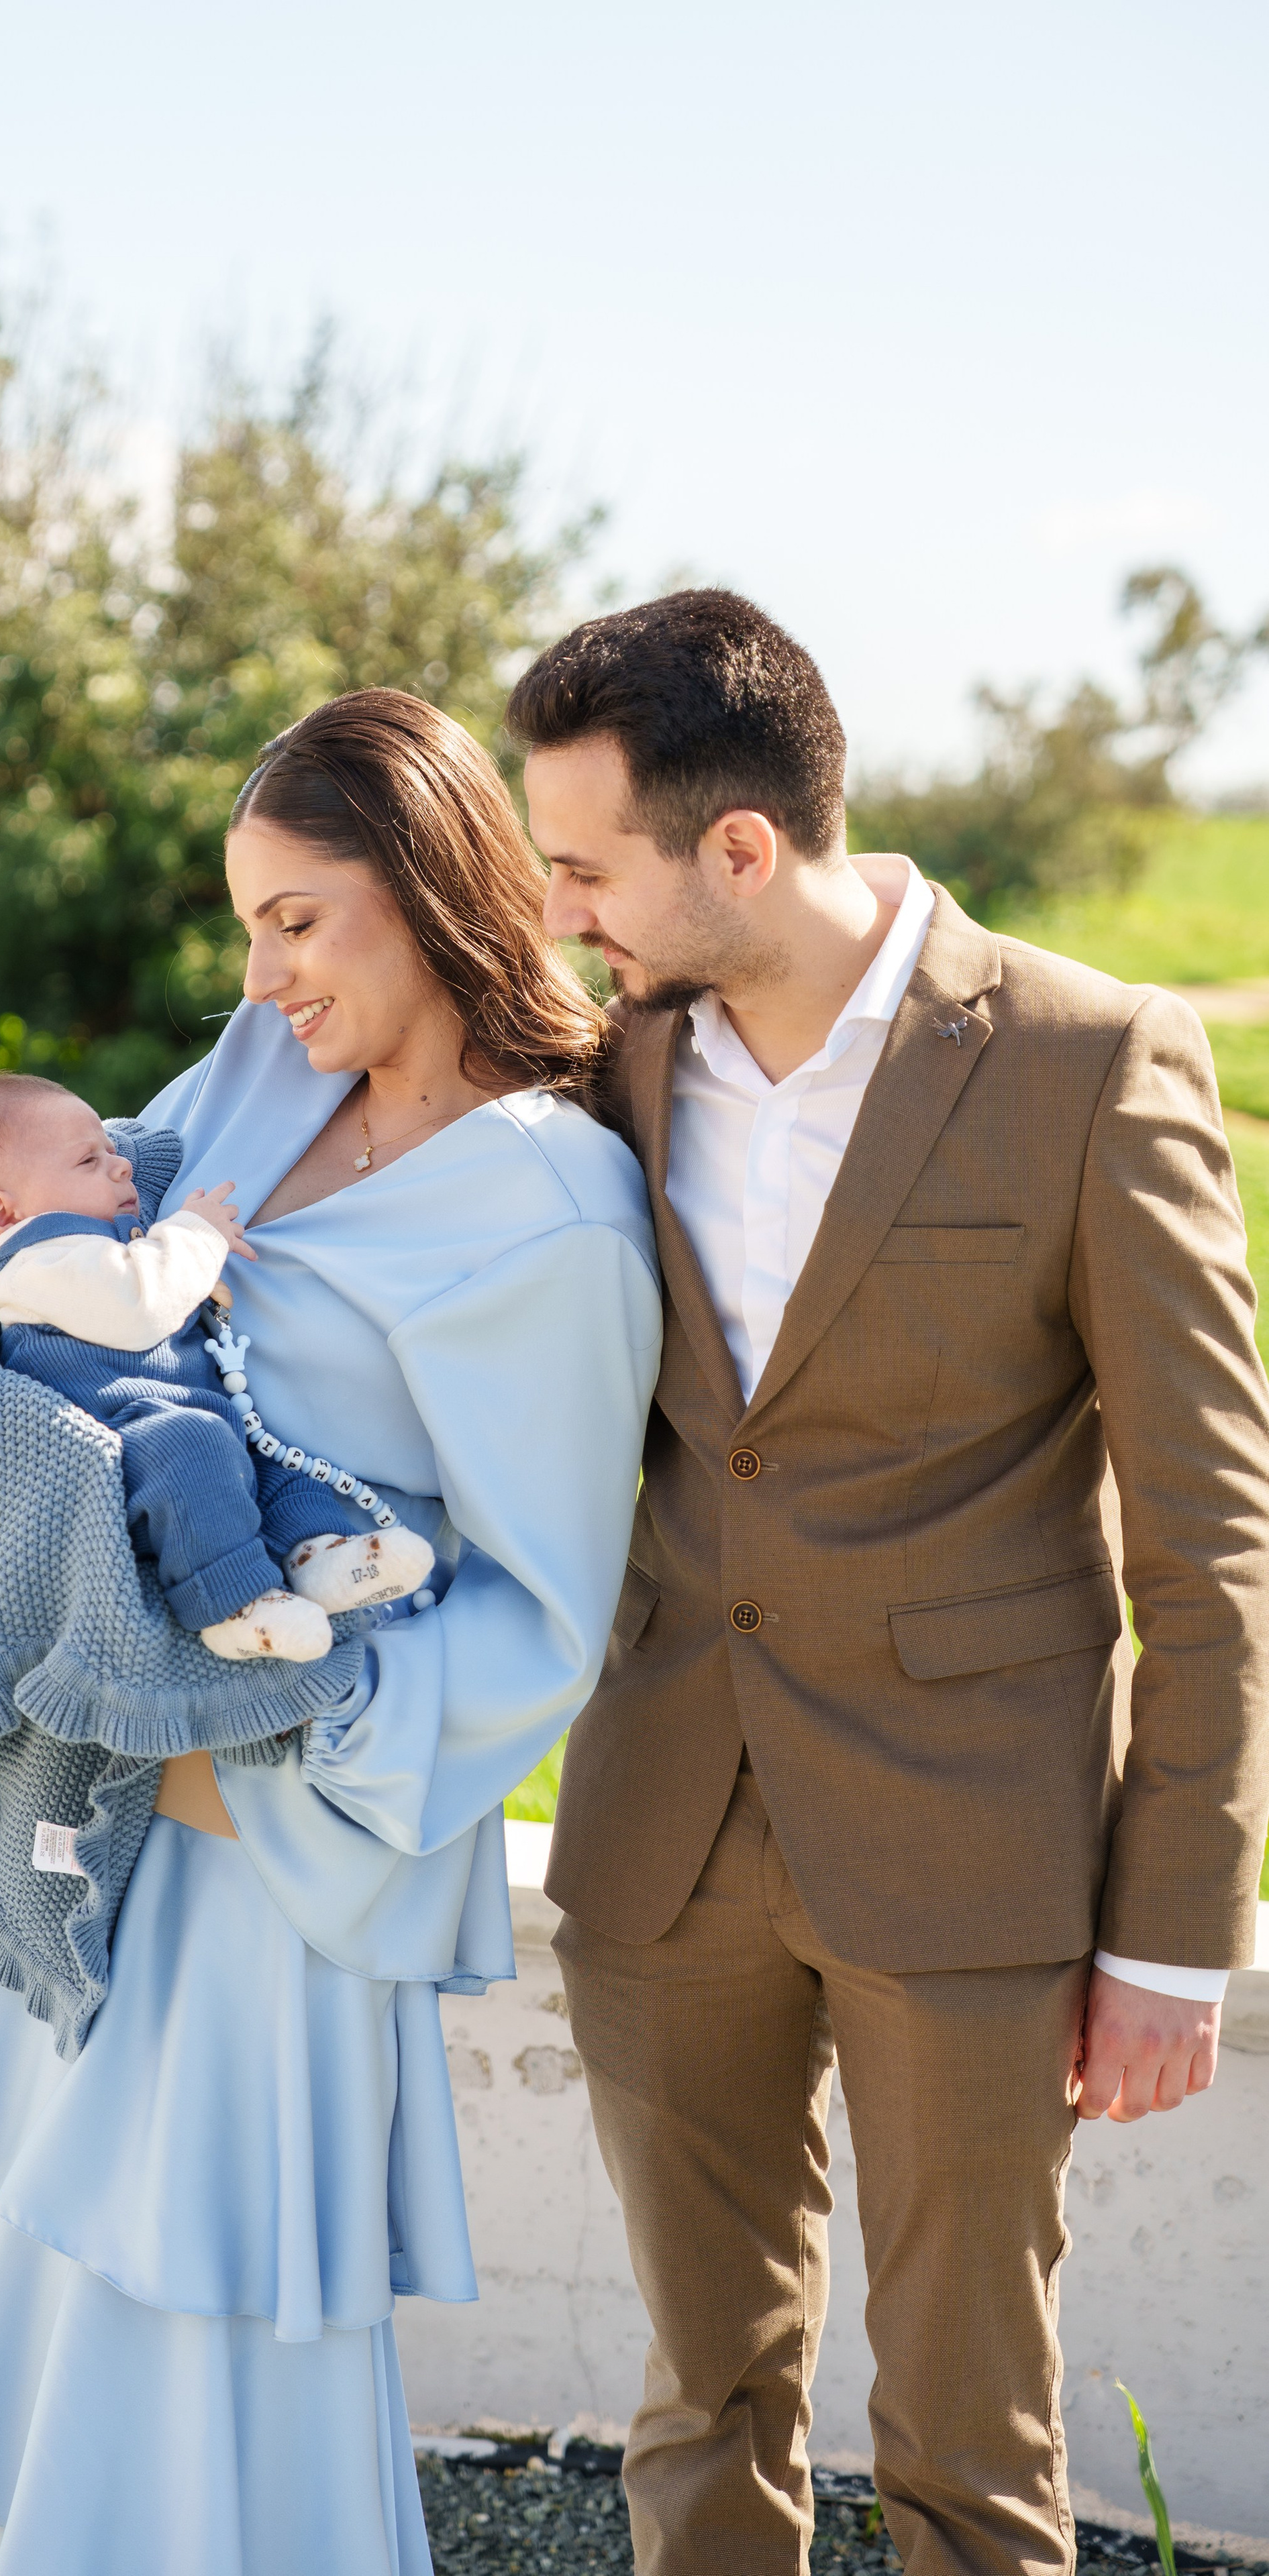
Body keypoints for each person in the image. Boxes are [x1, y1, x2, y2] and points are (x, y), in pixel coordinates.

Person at [511, 588, 1269, 2576]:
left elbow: (1212, 1537)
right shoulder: (619, 1067)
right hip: (664, 1833)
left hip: (974, 1851)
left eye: (586, 866)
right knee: (697, 2411)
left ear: (736, 848)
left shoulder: (1091, 1060)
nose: (562, 907)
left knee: (965, 2441)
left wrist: (1176, 1927)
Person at [0, 688, 662, 2574]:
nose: (260, 972)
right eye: (248, 923)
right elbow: (5, 1262)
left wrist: (247, 1756)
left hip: (271, 1843)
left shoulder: (554, 1210)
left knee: (208, 2347)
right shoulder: (255, 1077)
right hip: (119, 1804)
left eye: (296, 920)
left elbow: (546, 1614)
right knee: (93, 2310)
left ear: (423, 887)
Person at [0, 1069, 433, 1662]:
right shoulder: (34, 1265)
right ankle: (233, 1604)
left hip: (188, 1419)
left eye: (113, 1151)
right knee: (197, 1452)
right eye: (88, 1161)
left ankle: (319, 1555)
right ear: (2, 1214)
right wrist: (195, 1234)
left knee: (273, 1470)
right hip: (138, 1444)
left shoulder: (91, 1248)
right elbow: (138, 1301)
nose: (122, 1165)